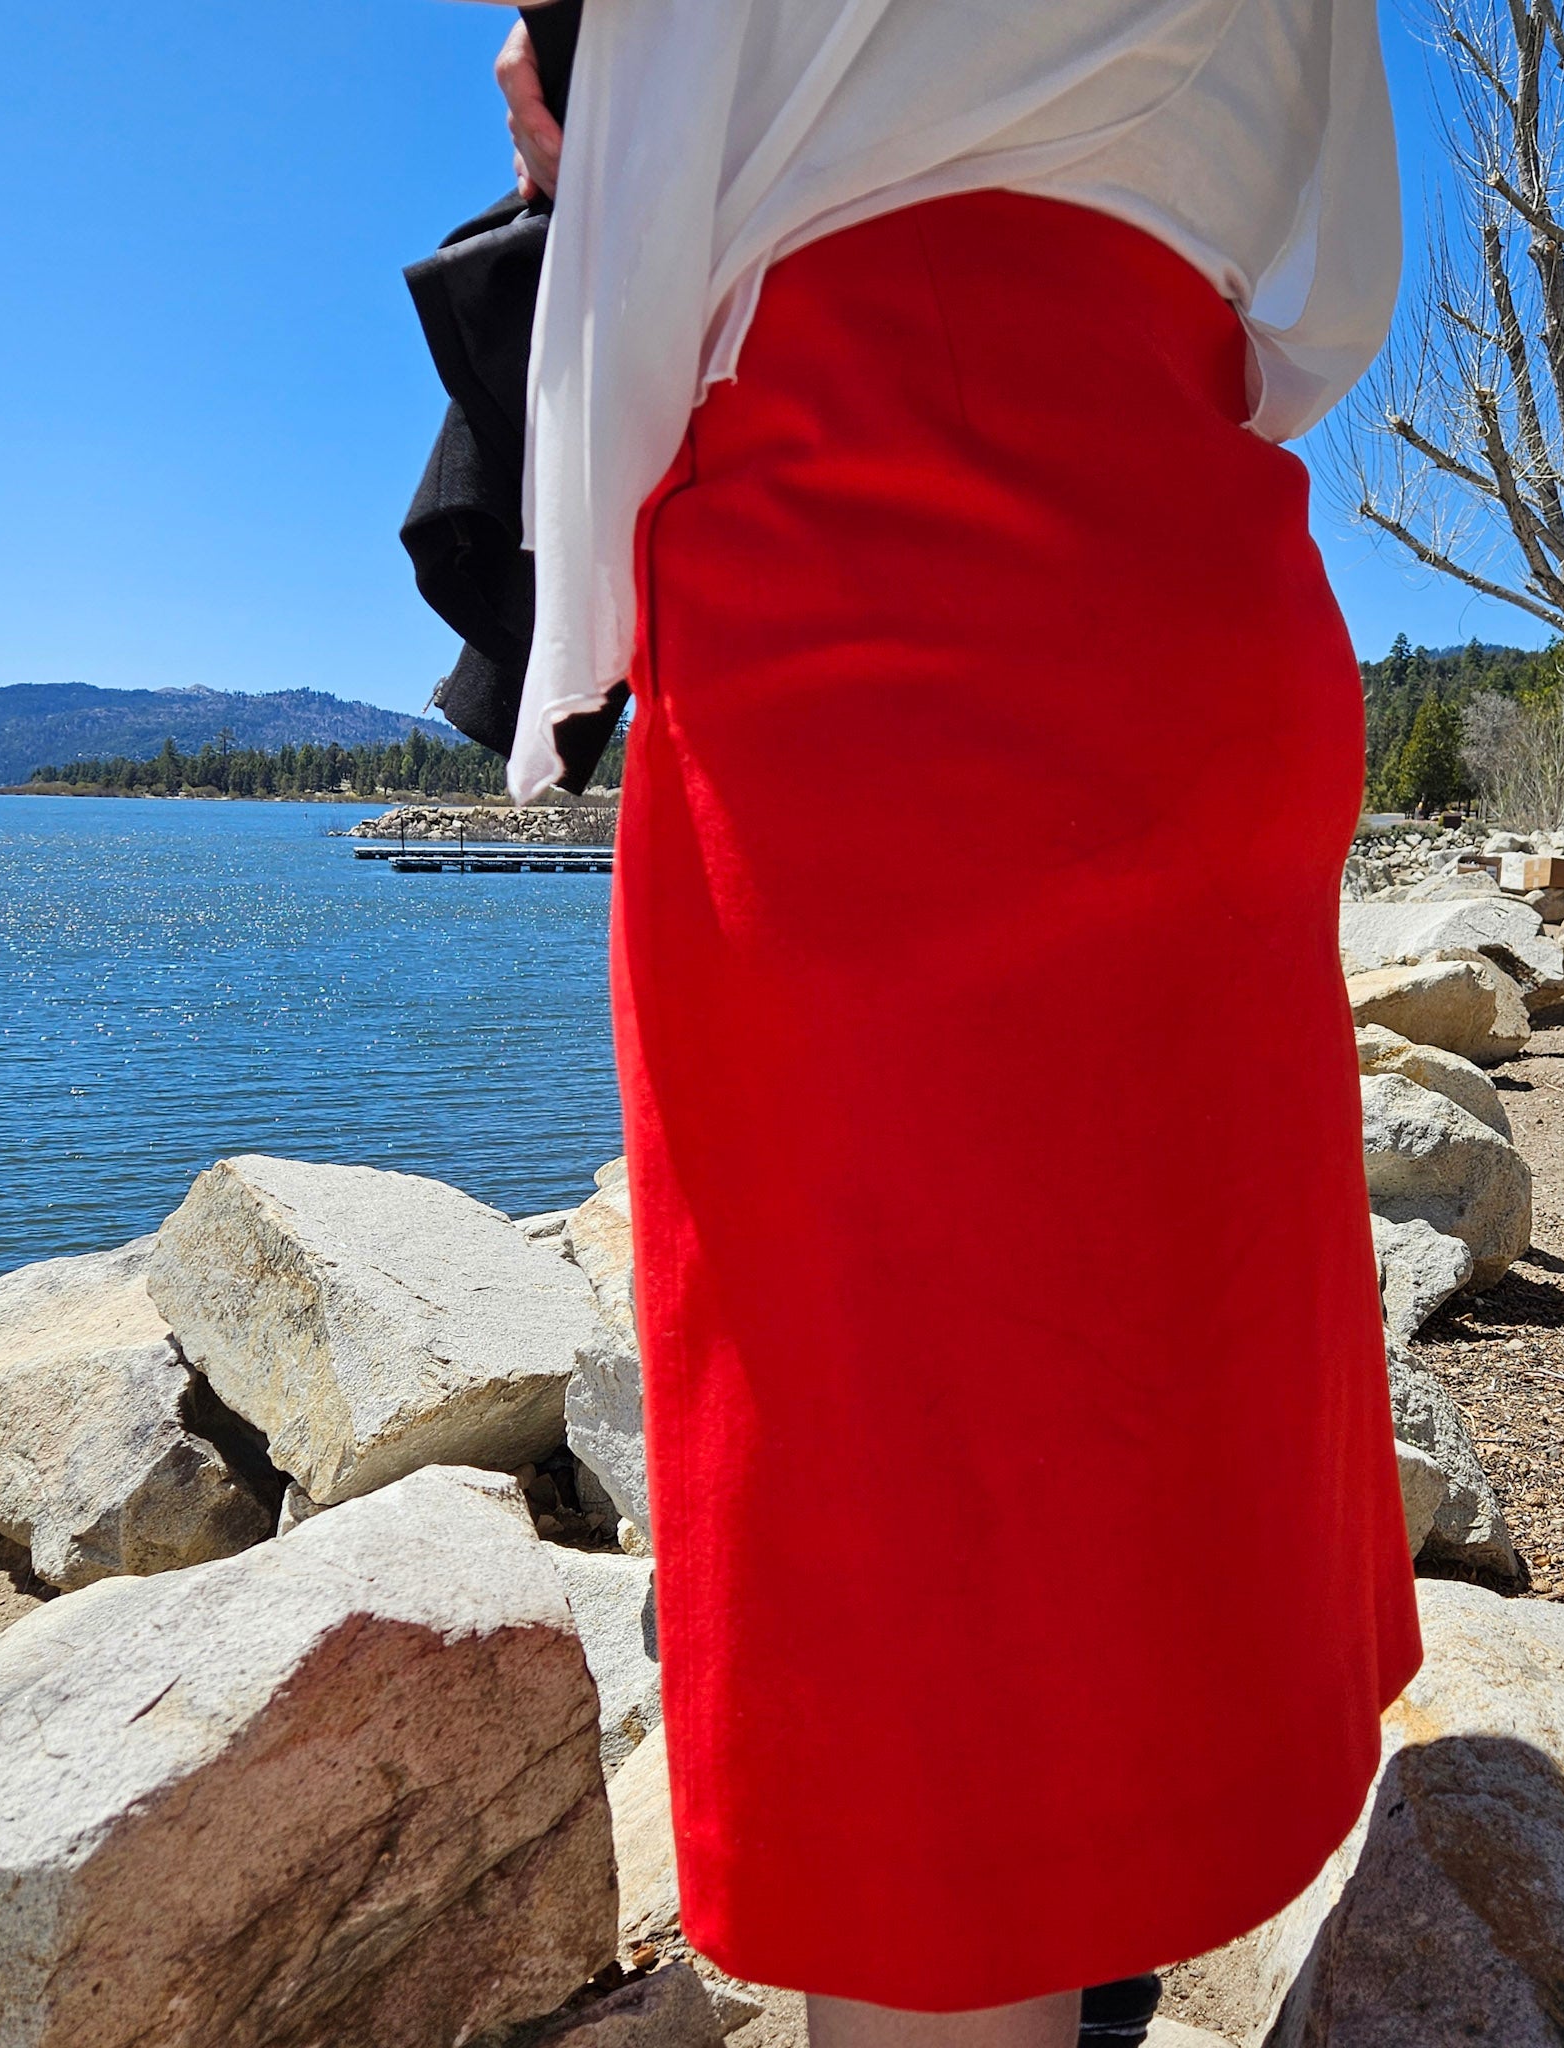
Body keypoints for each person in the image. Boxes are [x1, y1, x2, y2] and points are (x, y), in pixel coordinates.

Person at [461, 7, 1423, 2047]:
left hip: (880, 572)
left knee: (908, 1667)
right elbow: (1315, 292)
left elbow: (619, 233)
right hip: (1198, 567)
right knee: (1135, 1484)